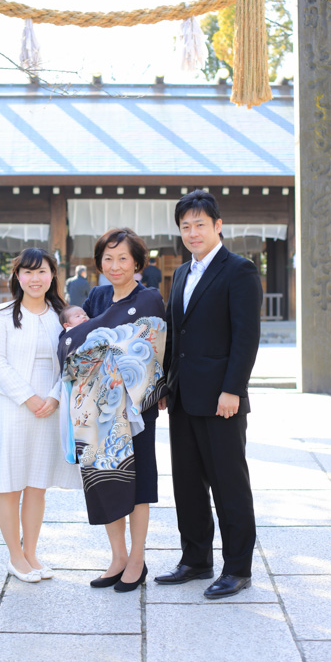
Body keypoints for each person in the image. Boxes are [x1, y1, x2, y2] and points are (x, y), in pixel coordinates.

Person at [155, 190, 262, 599]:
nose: (193, 232)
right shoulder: (182, 273)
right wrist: (166, 384)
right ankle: (196, 560)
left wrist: (233, 389)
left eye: (200, 224)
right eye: (186, 226)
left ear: (218, 226)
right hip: (183, 398)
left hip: (222, 399)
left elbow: (246, 337)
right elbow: (174, 334)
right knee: (187, 483)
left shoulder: (240, 270)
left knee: (229, 484)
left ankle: (238, 568)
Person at [58, 228, 167, 592]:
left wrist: (97, 338)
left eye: (123, 258)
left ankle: (137, 559)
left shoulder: (148, 298)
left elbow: (143, 350)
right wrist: (98, 338)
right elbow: (76, 347)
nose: (115, 265)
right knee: (105, 480)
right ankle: (117, 556)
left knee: (138, 485)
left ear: (137, 262)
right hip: (96, 409)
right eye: (108, 258)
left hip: (134, 410)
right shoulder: (98, 296)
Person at [0, 248, 82, 584]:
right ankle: (15, 556)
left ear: (53, 275)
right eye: (28, 272)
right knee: (10, 485)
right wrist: (29, 397)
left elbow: (72, 360)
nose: (35, 279)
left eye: (42, 272)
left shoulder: (60, 316)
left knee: (37, 486)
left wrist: (52, 397)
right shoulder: (2, 315)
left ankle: (32, 551)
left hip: (50, 409)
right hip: (13, 409)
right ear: (17, 276)